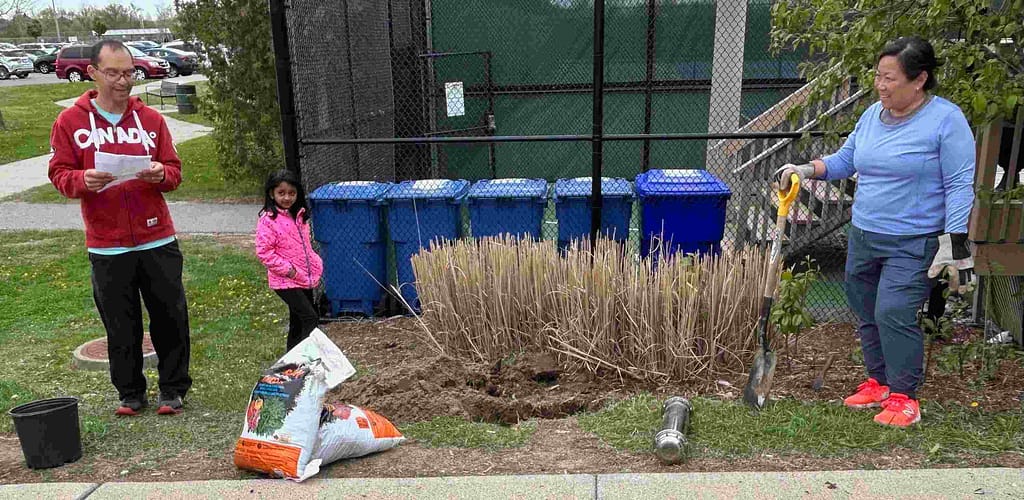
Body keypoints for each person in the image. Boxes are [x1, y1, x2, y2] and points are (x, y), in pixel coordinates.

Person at [775, 36, 975, 428]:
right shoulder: (871, 115)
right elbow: (846, 160)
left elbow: (959, 184)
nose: (880, 85)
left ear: (919, 80)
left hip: (913, 240)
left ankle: (905, 397)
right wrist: (805, 169)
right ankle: (880, 382)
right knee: (867, 310)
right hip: (865, 235)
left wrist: (955, 243)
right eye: (878, 76)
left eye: (889, 78)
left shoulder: (946, 121)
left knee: (893, 312)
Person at [48, 40, 191, 416]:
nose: (123, 81)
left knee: (170, 316)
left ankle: (173, 389)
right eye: (113, 73)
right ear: (93, 72)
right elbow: (59, 174)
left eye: (128, 72)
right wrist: (82, 180)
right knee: (120, 325)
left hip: (156, 237)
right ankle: (130, 393)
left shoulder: (152, 121)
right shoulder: (71, 122)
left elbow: (174, 171)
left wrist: (161, 173)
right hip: (107, 244)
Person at [255, 169, 324, 351]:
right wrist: (289, 270)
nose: (287, 198)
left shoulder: (300, 216)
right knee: (310, 317)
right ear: (272, 193)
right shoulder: (268, 220)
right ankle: (305, 357)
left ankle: (290, 364)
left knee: (298, 321)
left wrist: (314, 262)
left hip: (303, 276)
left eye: (291, 193)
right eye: (281, 193)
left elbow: (304, 246)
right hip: (285, 279)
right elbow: (264, 252)